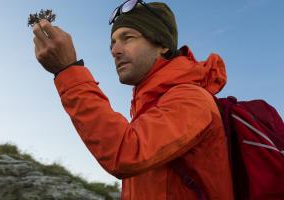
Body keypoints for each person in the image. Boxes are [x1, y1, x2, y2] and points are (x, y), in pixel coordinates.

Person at [32, 1, 234, 199]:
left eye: (127, 38)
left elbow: (126, 153)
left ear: (163, 45)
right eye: (113, 43)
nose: (114, 50)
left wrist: (68, 71)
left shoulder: (192, 99)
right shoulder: (150, 107)